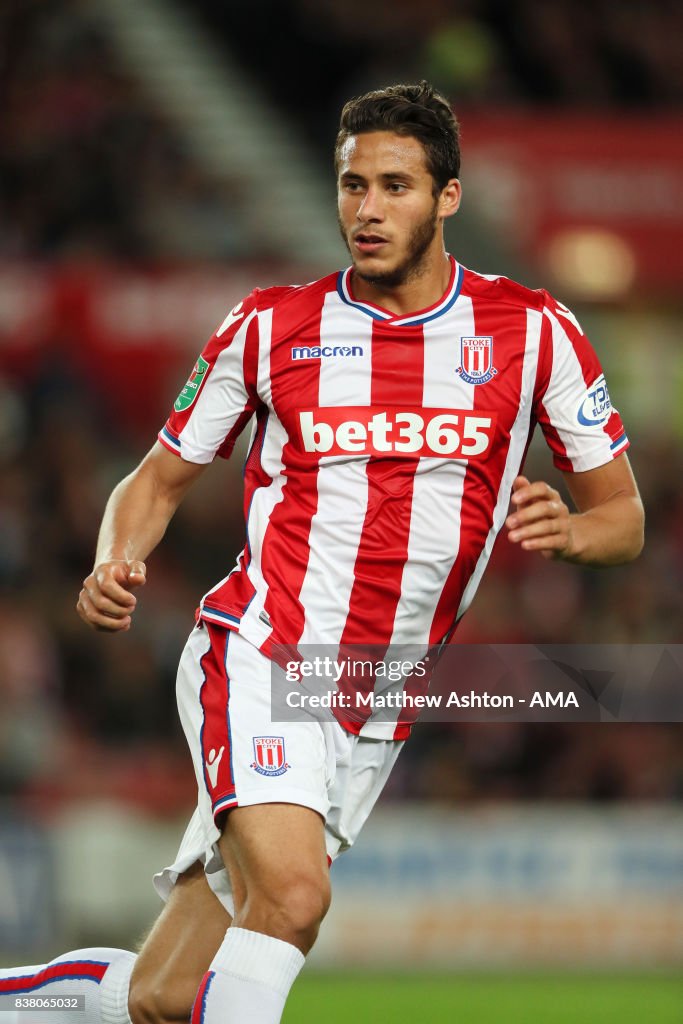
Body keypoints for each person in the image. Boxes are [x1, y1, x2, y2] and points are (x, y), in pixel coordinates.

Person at [0, 82, 643, 1024]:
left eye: (393, 186)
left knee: (166, 998)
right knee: (295, 900)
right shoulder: (267, 326)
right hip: (263, 650)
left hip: (374, 698)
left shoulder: (533, 332)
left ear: (447, 198)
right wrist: (113, 558)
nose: (367, 209)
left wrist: (572, 532)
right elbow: (156, 479)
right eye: (351, 185)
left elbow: (621, 516)